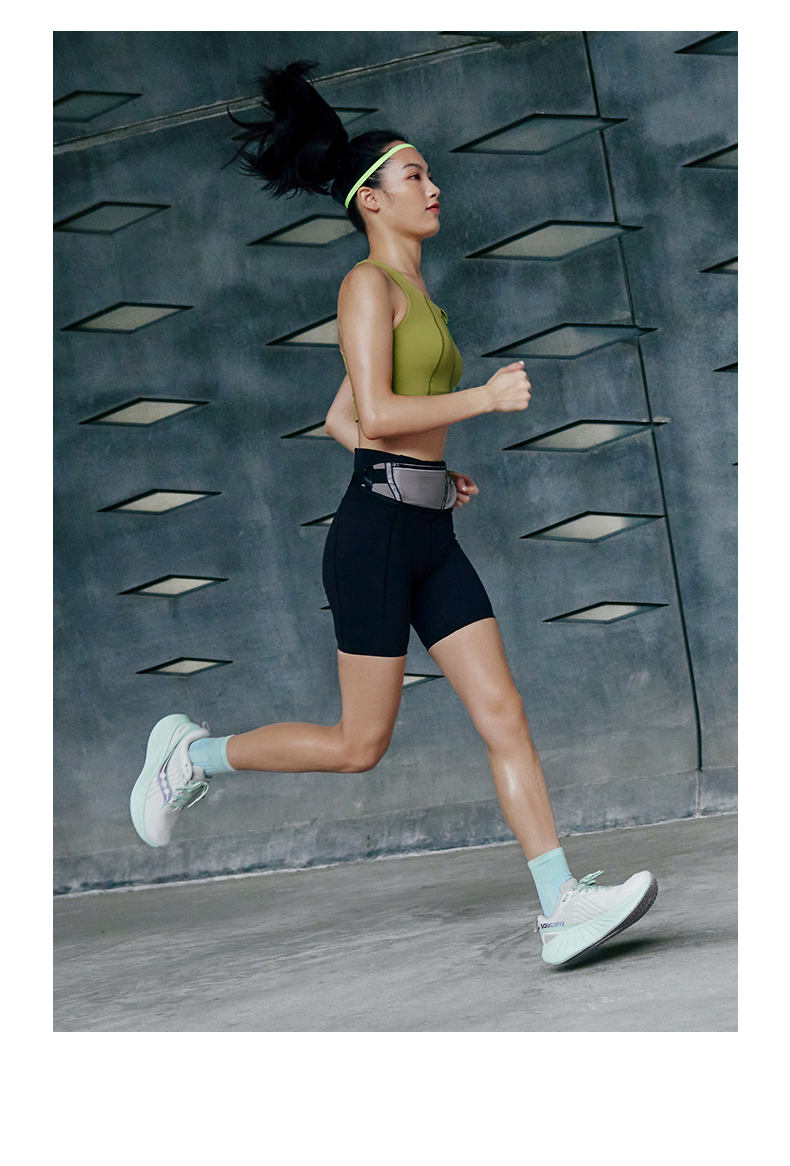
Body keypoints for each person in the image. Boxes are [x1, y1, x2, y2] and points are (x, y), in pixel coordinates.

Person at [129, 60, 657, 967]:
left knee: (503, 712)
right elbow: (373, 416)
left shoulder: (420, 300)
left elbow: (342, 419)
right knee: (357, 745)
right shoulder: (365, 287)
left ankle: (561, 904)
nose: (433, 185)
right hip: (374, 538)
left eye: (429, 173)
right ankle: (193, 758)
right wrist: (483, 401)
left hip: (428, 531)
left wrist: (434, 478)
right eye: (415, 175)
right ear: (371, 200)